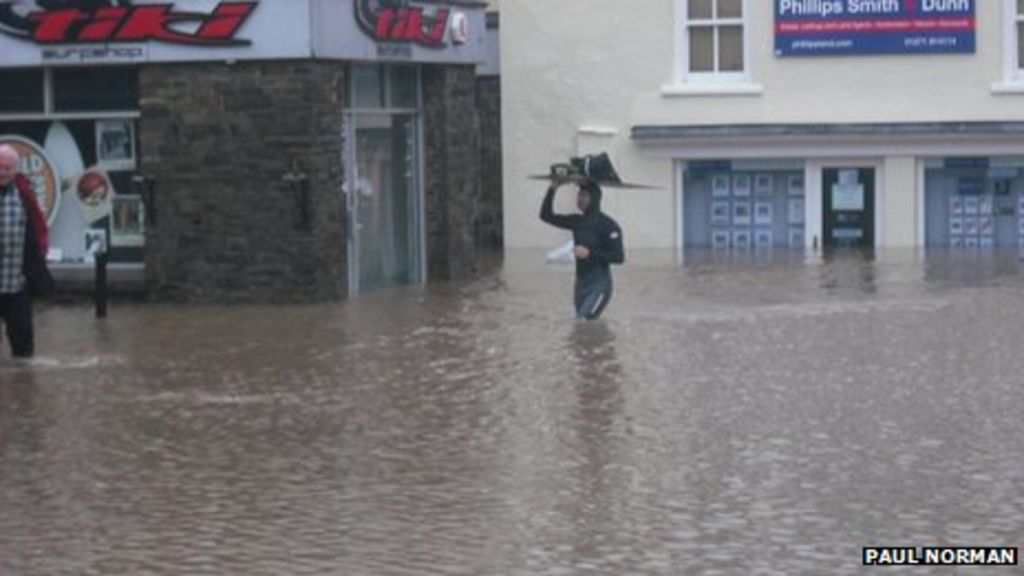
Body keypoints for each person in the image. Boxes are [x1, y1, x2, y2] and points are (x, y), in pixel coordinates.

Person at [540, 178, 624, 320]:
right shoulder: (577, 221)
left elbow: (618, 257)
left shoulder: (608, 225)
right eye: (579, 196)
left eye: (584, 196)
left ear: (595, 198)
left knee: (583, 321)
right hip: (581, 284)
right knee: (583, 327)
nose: (580, 199)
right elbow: (545, 216)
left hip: (600, 285)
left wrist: (589, 254)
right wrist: (552, 189)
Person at [0, 144, 50, 359]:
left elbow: (39, 228)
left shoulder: (24, 194)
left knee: (23, 342)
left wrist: (39, 261)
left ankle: (22, 385)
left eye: (7, 167)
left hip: (17, 282)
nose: (2, 172)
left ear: (15, 170)